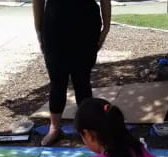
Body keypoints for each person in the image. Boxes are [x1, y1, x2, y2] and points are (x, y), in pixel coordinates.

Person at [32, 0, 112, 146]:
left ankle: (87, 129)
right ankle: (54, 128)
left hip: (86, 24)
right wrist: (38, 29)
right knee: (57, 81)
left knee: (82, 80)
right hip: (54, 25)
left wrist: (106, 27)